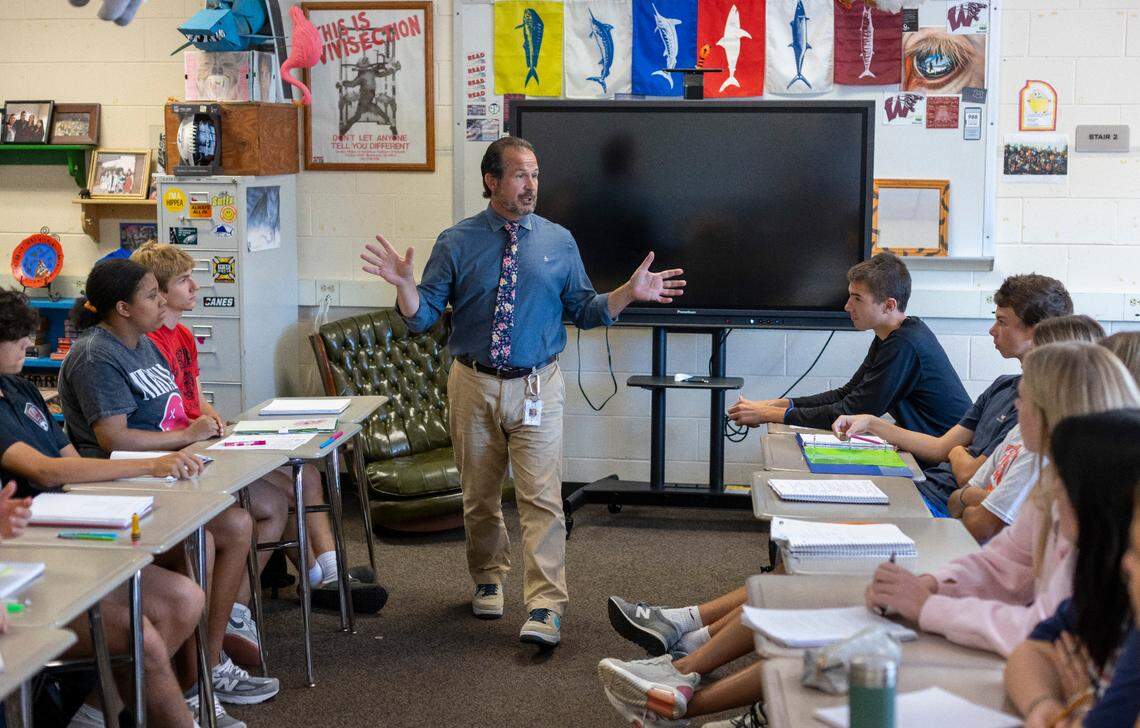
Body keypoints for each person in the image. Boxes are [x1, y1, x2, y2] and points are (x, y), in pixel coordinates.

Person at [597, 342, 1140, 727]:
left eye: (1027, 402)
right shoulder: (1053, 483)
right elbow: (1002, 568)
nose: (1016, 410)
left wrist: (929, 604)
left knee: (849, 632)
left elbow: (1030, 617)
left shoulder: (1094, 515)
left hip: (984, 612)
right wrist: (931, 586)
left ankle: (684, 682)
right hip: (986, 606)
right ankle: (686, 666)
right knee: (824, 594)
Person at [359, 135, 685, 647]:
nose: (530, 184)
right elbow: (422, 319)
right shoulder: (456, 241)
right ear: (491, 180)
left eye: (535, 174)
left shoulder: (559, 240)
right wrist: (405, 288)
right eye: (519, 175)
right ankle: (489, 578)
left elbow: (584, 310)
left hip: (538, 385)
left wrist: (627, 293)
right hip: (473, 384)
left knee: (542, 500)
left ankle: (545, 606)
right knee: (480, 498)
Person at [56, 260, 278, 725]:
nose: (161, 301)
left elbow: (175, 412)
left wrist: (200, 432)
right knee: (205, 542)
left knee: (238, 523)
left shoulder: (143, 344)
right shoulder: (97, 355)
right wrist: (185, 438)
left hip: (166, 474)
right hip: (121, 484)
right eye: (151, 295)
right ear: (122, 308)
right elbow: (113, 438)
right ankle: (191, 684)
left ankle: (210, 664)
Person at [130, 242, 384, 636]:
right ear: (159, 293)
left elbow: (194, 396)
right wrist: (201, 425)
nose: (195, 286)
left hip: (203, 437)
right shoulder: (151, 343)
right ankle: (307, 581)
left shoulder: (183, 335)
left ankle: (326, 573)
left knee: (307, 475)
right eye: (183, 281)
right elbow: (170, 412)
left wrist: (213, 416)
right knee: (283, 492)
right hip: (186, 449)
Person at [0, 288, 209, 727]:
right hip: (25, 556)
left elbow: (70, 460)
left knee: (185, 598)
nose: (26, 344)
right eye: (15, 337)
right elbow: (44, 470)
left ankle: (97, 713)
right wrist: (150, 464)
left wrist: (125, 486)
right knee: (141, 637)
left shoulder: (20, 388)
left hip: (58, 531)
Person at [834, 273, 1073, 515]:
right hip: (924, 488)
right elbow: (940, 448)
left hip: (942, 506)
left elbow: (968, 475)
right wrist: (870, 423)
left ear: (1035, 331)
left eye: (1002, 322)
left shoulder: (1034, 406)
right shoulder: (1002, 386)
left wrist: (957, 451)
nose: (992, 330)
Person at [728, 252, 971, 435]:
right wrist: (782, 404)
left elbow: (853, 410)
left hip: (944, 462)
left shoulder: (905, 344)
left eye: (857, 299)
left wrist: (769, 414)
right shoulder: (891, 336)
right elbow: (847, 394)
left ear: (889, 305)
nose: (847, 306)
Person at [1004, 409, 1140, 728]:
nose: (1054, 491)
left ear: (1096, 504)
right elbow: (1029, 653)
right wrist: (1044, 705)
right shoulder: (1106, 585)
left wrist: (1085, 707)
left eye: (1063, 483)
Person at [946, 314, 1105, 541]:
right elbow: (955, 501)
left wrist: (970, 497)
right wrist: (975, 498)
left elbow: (980, 525)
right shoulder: (1021, 430)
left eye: (1037, 356)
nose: (1027, 365)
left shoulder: (1044, 448)